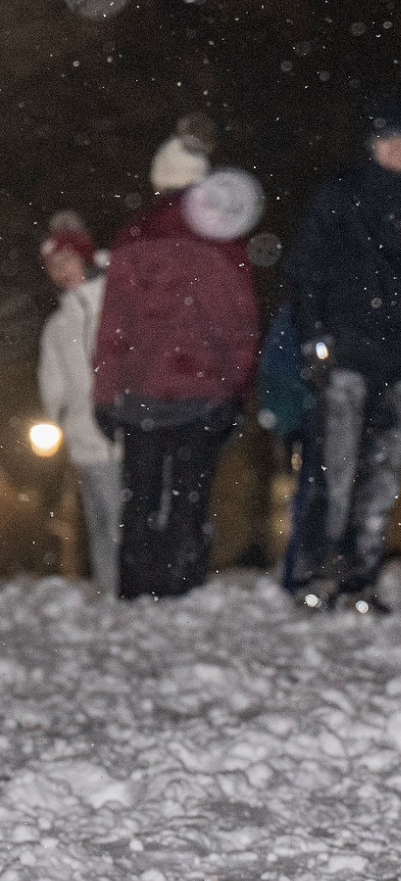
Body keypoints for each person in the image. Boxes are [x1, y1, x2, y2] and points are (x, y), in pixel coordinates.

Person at [284, 94, 401, 613]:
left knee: (381, 480)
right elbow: (307, 272)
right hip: (347, 358)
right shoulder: (340, 197)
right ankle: (318, 573)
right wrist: (314, 337)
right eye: (388, 138)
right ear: (371, 143)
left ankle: (362, 575)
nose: (397, 149)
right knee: (334, 473)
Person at [93, 126, 258, 600]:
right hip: (203, 392)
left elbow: (114, 325)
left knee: (141, 497)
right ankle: (182, 588)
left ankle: (136, 589)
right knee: (190, 498)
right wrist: (235, 388)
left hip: (141, 389)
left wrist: (105, 394)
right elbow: (240, 322)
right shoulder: (225, 238)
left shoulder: (135, 234)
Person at [36, 214, 119, 596]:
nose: (60, 271)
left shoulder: (116, 302)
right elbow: (51, 381)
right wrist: (57, 420)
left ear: (83, 257)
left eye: (66, 260)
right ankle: (109, 591)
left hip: (123, 430)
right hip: (84, 438)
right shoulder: (58, 325)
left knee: (123, 518)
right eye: (53, 266)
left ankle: (131, 593)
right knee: (100, 521)